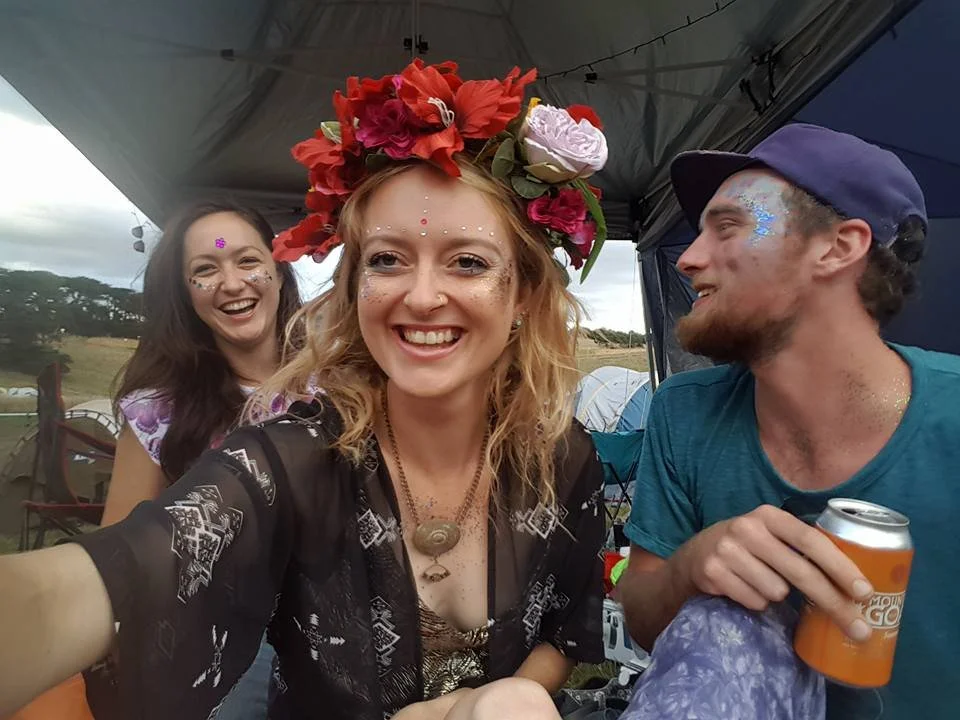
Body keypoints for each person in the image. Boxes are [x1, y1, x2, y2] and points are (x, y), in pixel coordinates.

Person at [0, 61, 826, 720]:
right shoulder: (286, 461)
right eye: (388, 259)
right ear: (353, 287)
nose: (420, 296)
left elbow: (573, 625)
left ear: (523, 297)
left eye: (467, 262)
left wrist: (500, 700)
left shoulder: (560, 459)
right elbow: (106, 578)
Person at [617, 123, 960, 719]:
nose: (689, 259)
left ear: (838, 247)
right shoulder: (684, 411)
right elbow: (642, 617)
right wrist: (692, 567)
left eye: (728, 226)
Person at [11, 201, 306, 720]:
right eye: (205, 270)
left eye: (247, 261)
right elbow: (123, 547)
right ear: (186, 294)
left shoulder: (345, 381)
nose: (231, 282)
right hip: (228, 628)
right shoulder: (157, 409)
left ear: (278, 270)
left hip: (342, 611)